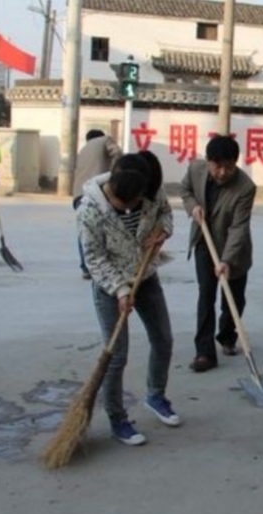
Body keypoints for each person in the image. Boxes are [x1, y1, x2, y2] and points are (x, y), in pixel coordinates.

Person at [78, 153, 178, 446]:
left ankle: (156, 396)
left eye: (140, 200)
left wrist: (162, 232)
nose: (137, 206)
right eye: (130, 204)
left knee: (163, 339)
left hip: (146, 275)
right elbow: (94, 259)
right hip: (110, 287)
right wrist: (120, 289)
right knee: (116, 355)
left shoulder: (149, 189)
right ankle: (117, 418)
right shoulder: (90, 212)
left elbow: (165, 214)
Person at [180, 135, 257, 373]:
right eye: (217, 166)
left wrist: (225, 260)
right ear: (208, 161)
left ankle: (226, 335)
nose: (223, 172)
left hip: (234, 250)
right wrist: (192, 207)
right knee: (206, 295)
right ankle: (204, 352)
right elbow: (185, 190)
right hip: (205, 242)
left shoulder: (245, 187)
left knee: (234, 299)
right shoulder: (196, 169)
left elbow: (239, 227)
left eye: (229, 166)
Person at [73, 129, 123, 279]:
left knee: (85, 230)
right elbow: (118, 153)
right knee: (108, 228)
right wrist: (114, 175)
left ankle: (87, 267)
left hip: (79, 195)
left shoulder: (83, 150)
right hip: (98, 192)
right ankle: (109, 264)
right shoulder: (105, 140)